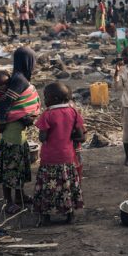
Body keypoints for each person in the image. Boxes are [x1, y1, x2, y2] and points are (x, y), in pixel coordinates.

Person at [0, 47, 41, 214]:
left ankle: (19, 196)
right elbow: (6, 103)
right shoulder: (19, 79)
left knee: (18, 166)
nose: (34, 65)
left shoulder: (19, 77)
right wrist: (3, 121)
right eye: (33, 61)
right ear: (27, 62)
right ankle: (9, 201)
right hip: (12, 132)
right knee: (11, 167)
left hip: (18, 131)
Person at [33, 82, 85, 225]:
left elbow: (42, 137)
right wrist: (67, 136)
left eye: (46, 97)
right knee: (67, 185)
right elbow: (81, 136)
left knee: (48, 187)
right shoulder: (73, 112)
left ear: (54, 99)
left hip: (50, 157)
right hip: (67, 157)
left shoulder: (47, 114)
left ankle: (46, 217)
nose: (44, 99)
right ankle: (69, 215)